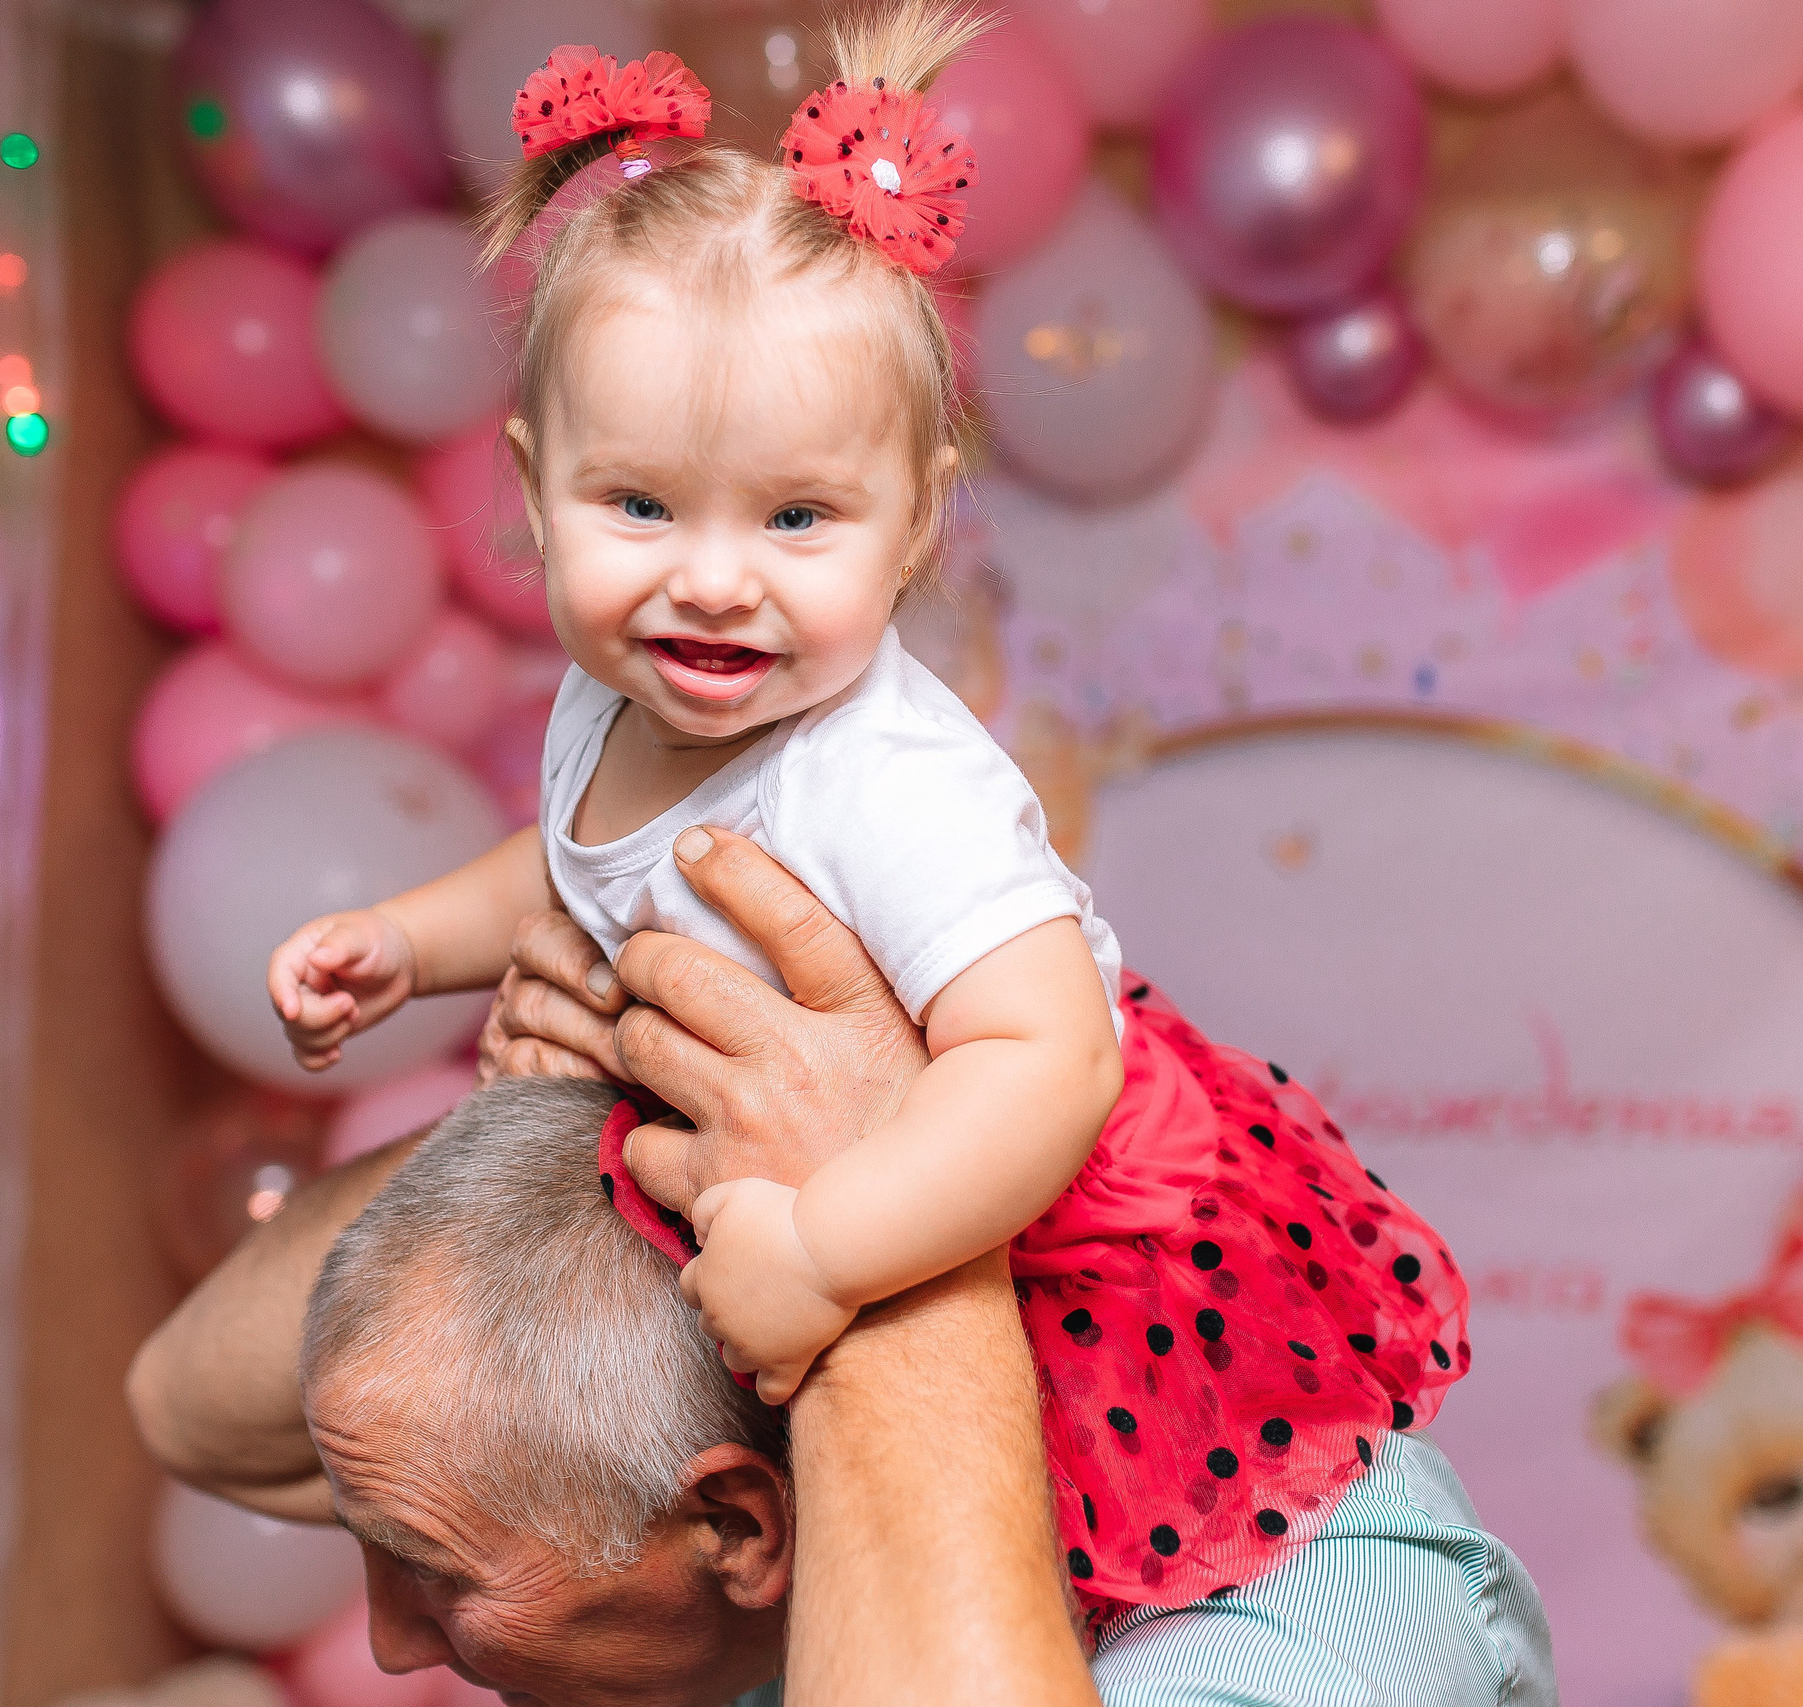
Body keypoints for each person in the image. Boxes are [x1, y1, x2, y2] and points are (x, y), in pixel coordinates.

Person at [256, 1, 1466, 1621]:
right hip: (818, 1193)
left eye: (798, 515)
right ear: (536, 490)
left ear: (910, 530)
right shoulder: (627, 692)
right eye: (637, 504)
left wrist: (829, 1250)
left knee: (1098, 1573)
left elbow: (1046, 1057)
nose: (710, 577)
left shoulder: (883, 784)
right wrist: (409, 941)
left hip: (1053, 1234)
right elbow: (569, 854)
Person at [135, 831, 1556, 1707]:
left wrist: (881, 1226)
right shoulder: (761, 1471)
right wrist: (601, 1081)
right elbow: (191, 1410)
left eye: (433, 1573)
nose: (389, 1644)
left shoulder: (1346, 1631)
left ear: (745, 1530)